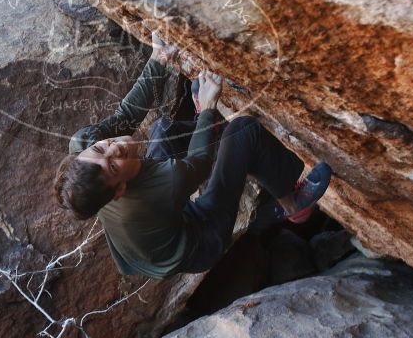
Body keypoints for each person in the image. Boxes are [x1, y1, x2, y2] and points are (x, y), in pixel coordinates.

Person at [54, 35, 332, 279]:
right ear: (120, 190)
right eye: (113, 166)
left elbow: (125, 117)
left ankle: (208, 125)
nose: (115, 148)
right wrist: (210, 106)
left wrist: (159, 57)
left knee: (162, 129)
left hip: (158, 224)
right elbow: (198, 163)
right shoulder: (163, 185)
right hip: (200, 239)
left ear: (82, 152)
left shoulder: (83, 145)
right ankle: (293, 204)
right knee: (243, 131)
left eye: (102, 149)